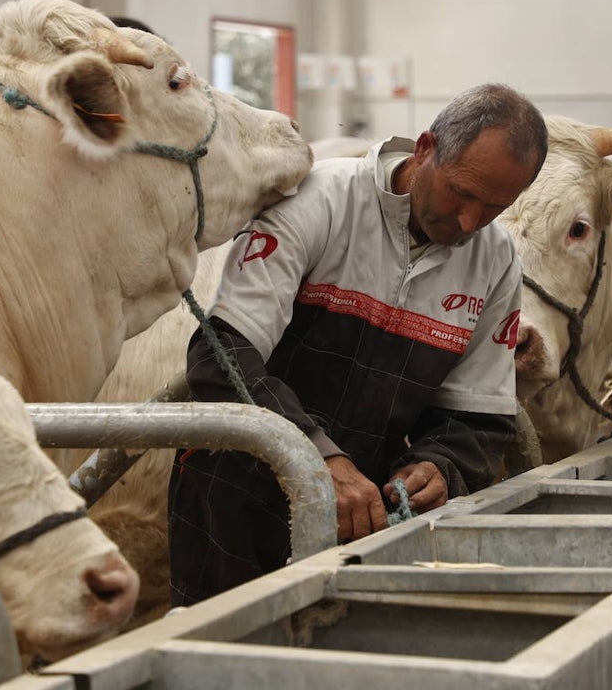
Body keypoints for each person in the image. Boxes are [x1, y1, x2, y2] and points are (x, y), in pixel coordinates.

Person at [167, 82, 548, 606]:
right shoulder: (320, 200)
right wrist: (316, 458)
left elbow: (479, 417)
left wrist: (441, 466)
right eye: (461, 192)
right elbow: (221, 356)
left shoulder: (496, 260)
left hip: (365, 508)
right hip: (235, 489)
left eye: (493, 207)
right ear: (425, 148)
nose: (468, 222)